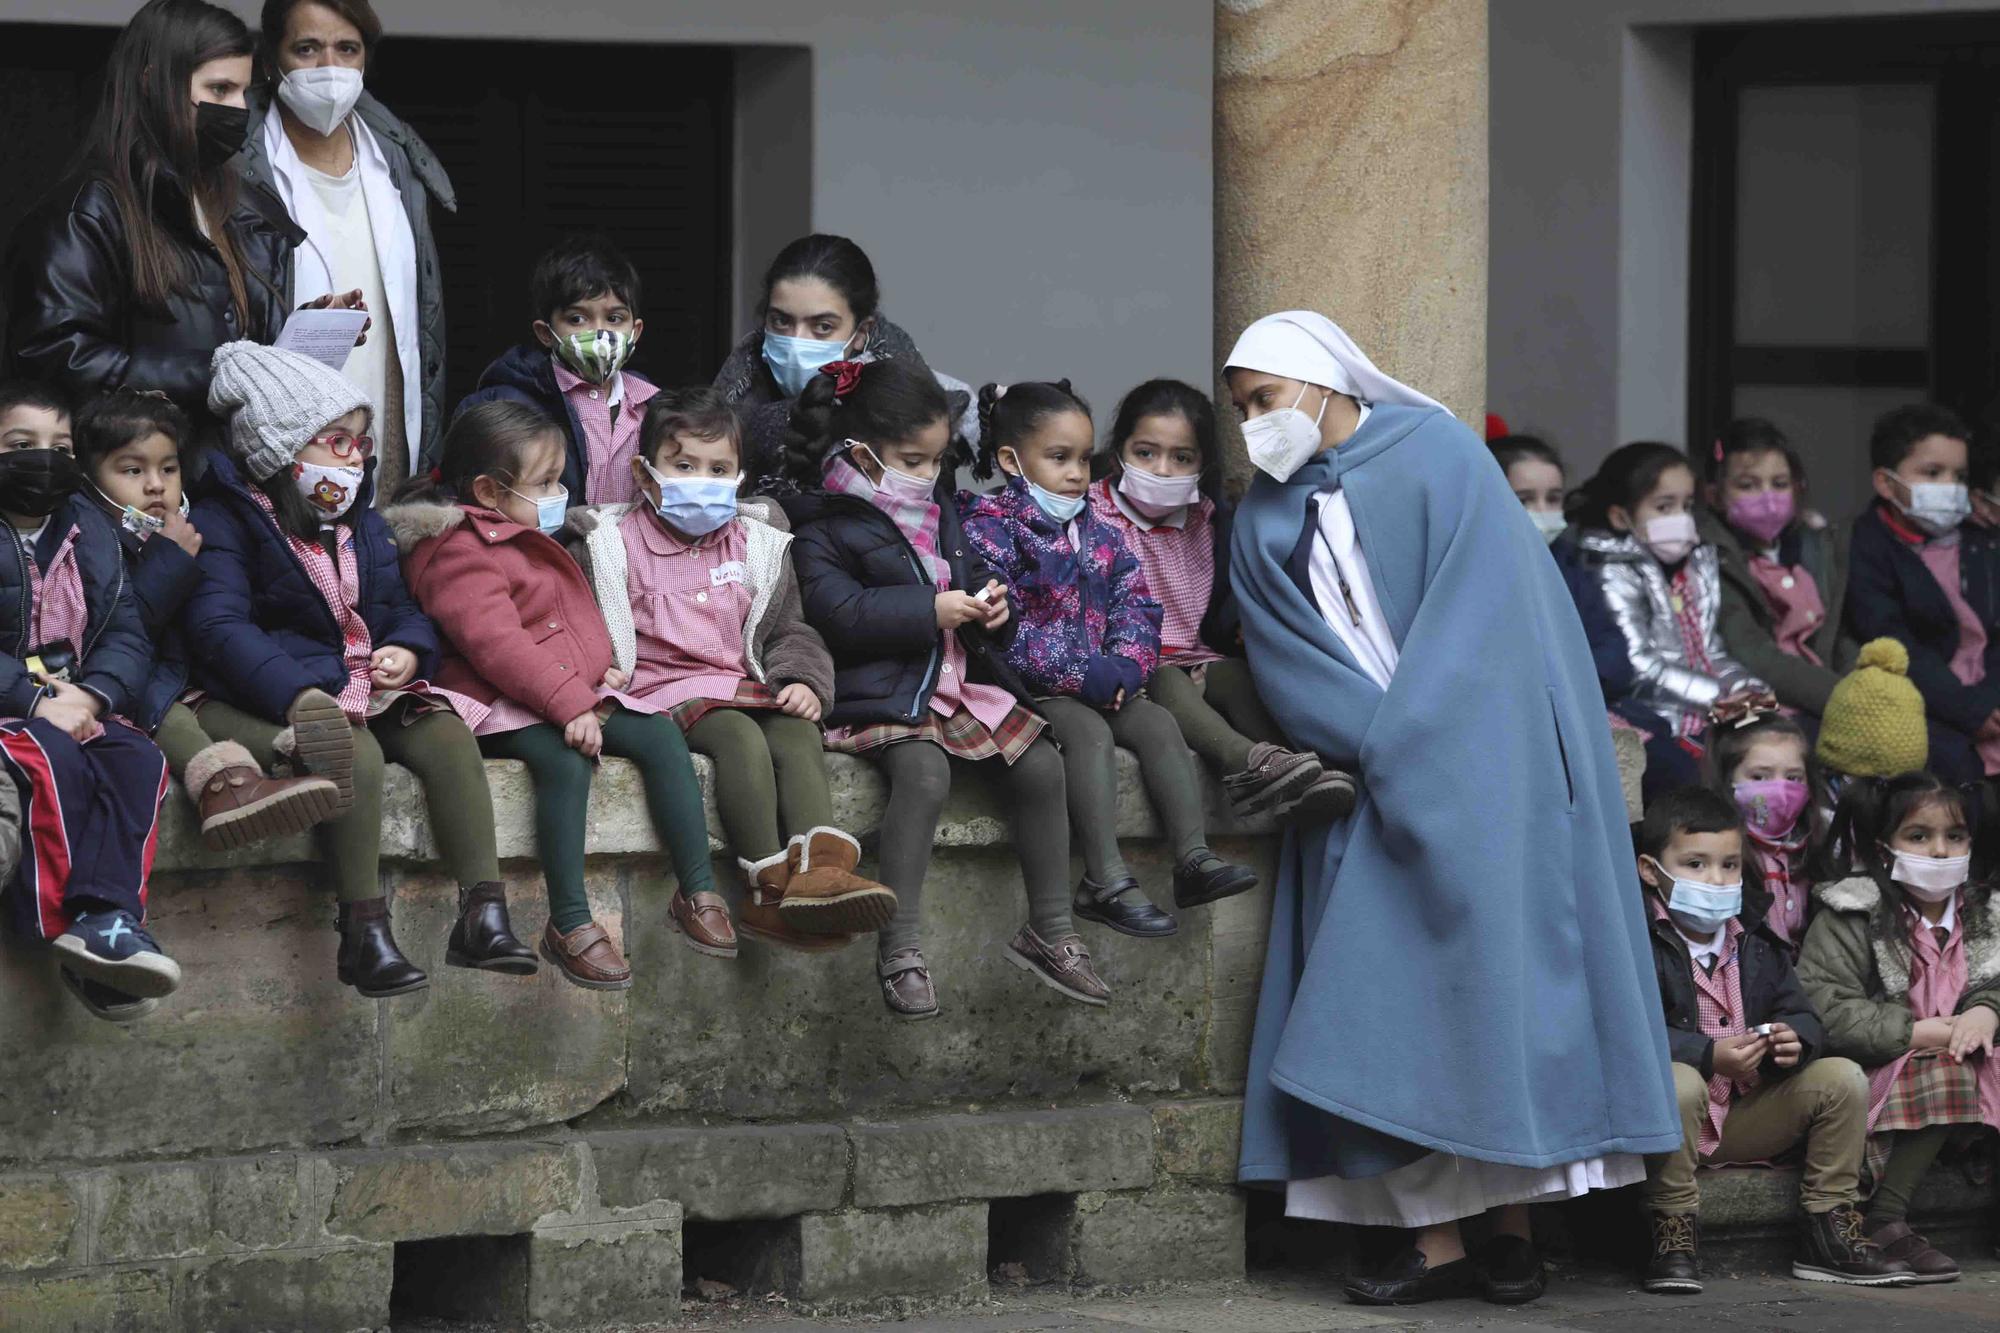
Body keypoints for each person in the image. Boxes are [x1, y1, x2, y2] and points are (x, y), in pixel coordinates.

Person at [1222, 311, 1678, 1307]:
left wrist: (1432, 744)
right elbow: (1289, 661)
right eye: (1240, 406)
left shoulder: (1440, 455)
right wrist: (1385, 746)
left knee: (1500, 1002)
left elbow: (1491, 620)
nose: (1254, 421)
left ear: (1319, 380)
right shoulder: (1256, 518)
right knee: (1395, 1017)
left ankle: (1512, 1228)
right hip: (1369, 783)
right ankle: (1431, 1239)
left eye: (1264, 397)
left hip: (1491, 768)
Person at [187, 341, 533, 996]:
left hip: (364, 681)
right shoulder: (226, 521)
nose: (356, 456)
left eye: (361, 441)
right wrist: (300, 689)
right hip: (273, 690)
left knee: (447, 733)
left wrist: (408, 649)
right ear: (278, 451)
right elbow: (218, 628)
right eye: (336, 441)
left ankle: (484, 912)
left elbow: (402, 608)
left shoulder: (361, 523)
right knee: (356, 755)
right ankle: (363, 929)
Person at [780, 359, 1101, 1016]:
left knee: (1042, 765)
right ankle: (899, 948)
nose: (928, 475)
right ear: (861, 453)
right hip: (882, 692)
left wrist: (992, 603)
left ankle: (1052, 929)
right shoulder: (820, 524)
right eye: (913, 459)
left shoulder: (937, 508)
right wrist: (930, 608)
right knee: (923, 775)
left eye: (935, 460)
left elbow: (971, 569)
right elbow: (837, 614)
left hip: (953, 684)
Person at [388, 401, 722, 988]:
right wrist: (571, 702)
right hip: (495, 702)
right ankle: (569, 921)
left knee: (660, 734)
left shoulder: (517, 532)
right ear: (490, 490)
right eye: (545, 482)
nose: (559, 491)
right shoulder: (457, 550)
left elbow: (560, 621)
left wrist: (599, 673)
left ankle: (697, 892)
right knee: (566, 761)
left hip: (561, 690)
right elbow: (497, 646)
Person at [563, 386, 892, 954]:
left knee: (794, 730)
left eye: (719, 469)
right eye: (684, 465)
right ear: (646, 475)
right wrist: (595, 674)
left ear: (741, 476)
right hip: (659, 692)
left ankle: (820, 873)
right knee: (739, 738)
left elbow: (788, 627)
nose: (701, 479)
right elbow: (573, 627)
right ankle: (765, 891)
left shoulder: (756, 542)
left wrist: (801, 682)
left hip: (745, 683)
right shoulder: (608, 544)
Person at [962, 380, 1259, 939]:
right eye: (1058, 458)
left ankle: (1193, 860)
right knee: (1089, 736)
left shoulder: (1097, 530)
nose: (1077, 472)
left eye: (1081, 457)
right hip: (1031, 690)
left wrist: (1126, 666)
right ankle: (1104, 880)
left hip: (1098, 679)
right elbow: (1002, 632)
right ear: (1010, 460)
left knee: (1157, 722)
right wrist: (1085, 674)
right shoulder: (988, 532)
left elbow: (1137, 606)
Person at [3, 0, 354, 435]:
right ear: (155, 85)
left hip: (233, 482)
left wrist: (303, 333)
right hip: (136, 480)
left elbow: (236, 343)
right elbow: (56, 360)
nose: (239, 110)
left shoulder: (243, 207)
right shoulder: (88, 212)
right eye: (219, 89)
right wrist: (217, 375)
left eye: (244, 92)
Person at [1633, 785, 1905, 1294]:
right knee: (1679, 1082)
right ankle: (1672, 1232)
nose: (1716, 880)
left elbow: (1801, 1011)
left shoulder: (1756, 934)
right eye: (1695, 864)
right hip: (1668, 1125)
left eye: (1729, 865)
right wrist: (1707, 1054)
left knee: (1841, 1078)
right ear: (1651, 870)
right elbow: (1624, 1033)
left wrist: (1793, 1042)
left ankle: (1828, 1229)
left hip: (1742, 1114)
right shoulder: (1634, 938)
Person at [73, 387, 339, 849]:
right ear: (89, 479)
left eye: (168, 469)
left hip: (186, 682)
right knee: (172, 717)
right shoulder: (89, 539)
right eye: (132, 470)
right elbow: (117, 629)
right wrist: (170, 562)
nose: (155, 485)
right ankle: (225, 788)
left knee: (221, 713)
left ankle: (292, 756)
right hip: (126, 688)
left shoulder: (188, 530)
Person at [1086, 379, 1353, 823]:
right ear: (1119, 451)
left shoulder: (1210, 521)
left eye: (1182, 457)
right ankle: (1247, 764)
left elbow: (1232, 603)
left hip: (1198, 658)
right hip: (1127, 668)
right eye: (1145, 453)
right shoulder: (1090, 513)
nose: (1163, 469)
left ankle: (1302, 771)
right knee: (1169, 679)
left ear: (1203, 463)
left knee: (1240, 678)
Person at [0, 381, 176, 1025]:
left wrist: (95, 695)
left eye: (60, 447)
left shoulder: (88, 530)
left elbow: (124, 630)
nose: (43, 458)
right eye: (21, 445)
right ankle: (64, 930)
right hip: (14, 710)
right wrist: (31, 697)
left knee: (139, 761)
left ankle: (110, 918)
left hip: (78, 701)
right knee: (52, 760)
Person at [240, 0, 457, 491]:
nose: (329, 69)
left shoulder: (395, 158)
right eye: (307, 49)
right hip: (280, 449)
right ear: (272, 58)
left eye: (347, 49)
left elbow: (422, 326)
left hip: (386, 437)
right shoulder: (240, 163)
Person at [1800, 770, 2000, 1283]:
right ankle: (1884, 1219)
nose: (1939, 850)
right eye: (1919, 836)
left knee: (1965, 1057)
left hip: (1970, 1069)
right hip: (1879, 1074)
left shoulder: (1986, 913)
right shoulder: (1852, 912)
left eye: (1954, 836)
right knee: (1950, 1064)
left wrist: (1987, 1009)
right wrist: (1921, 1032)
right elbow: (1827, 1006)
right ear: (1885, 846)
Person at [1573, 441, 1768, 803]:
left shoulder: (1695, 563)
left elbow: (1710, 649)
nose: (1681, 517)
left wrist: (1747, 688)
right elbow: (1637, 666)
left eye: (1687, 505)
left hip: (1704, 709)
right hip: (1651, 713)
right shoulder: (1609, 570)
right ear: (1621, 517)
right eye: (1664, 507)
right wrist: (1718, 697)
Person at [713, 234, 975, 490]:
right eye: (781, 321)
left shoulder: (919, 407)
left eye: (823, 326)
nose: (796, 341)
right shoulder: (732, 397)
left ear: (861, 332)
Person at [1843, 404, 2000, 788]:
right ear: (1885, 482)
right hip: (1930, 706)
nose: (1950, 486)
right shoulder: (1865, 548)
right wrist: (1969, 709)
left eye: (1959, 476)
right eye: (1932, 473)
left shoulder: (1981, 542)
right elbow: (1893, 640)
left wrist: (1991, 700)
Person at [460, 235, 657, 509]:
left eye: (614, 319)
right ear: (545, 333)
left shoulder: (653, 408)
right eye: (577, 319)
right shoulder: (506, 406)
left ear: (634, 331)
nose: (599, 333)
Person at [1698, 418, 1853, 725]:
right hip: (1750, 703)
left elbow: (1839, 636)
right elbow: (1753, 654)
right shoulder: (1709, 558)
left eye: (1780, 484)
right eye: (1747, 485)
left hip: (1826, 699)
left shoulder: (1818, 546)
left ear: (1799, 488)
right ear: (1714, 495)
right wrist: (1845, 698)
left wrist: (1866, 687)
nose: (1767, 498)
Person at [1491, 433, 1635, 703]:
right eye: (1524, 500)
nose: (1542, 510)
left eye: (1553, 498)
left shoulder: (1570, 564)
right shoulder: (1481, 575)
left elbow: (1615, 654)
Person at [1703, 710, 1831, 958]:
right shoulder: (1716, 854)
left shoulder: (1821, 844)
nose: (1781, 789)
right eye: (1760, 776)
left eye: (1793, 777)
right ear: (1727, 780)